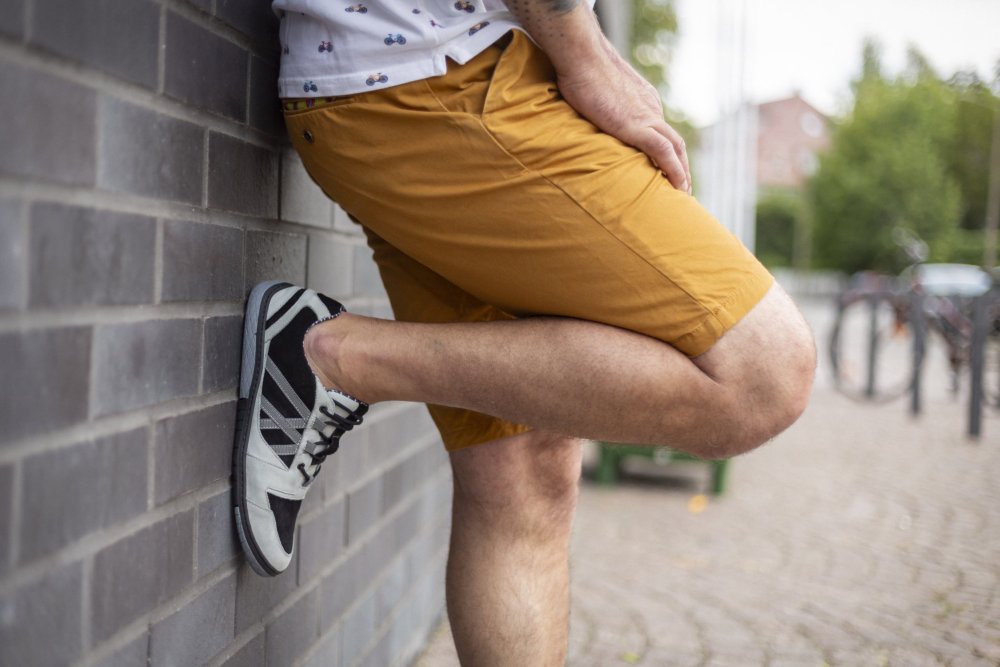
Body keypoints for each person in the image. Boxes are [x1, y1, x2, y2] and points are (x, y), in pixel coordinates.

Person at [231, 1, 816, 664]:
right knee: (763, 372)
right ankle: (340, 358)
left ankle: (335, 357)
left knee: (522, 472)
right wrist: (587, 56)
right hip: (443, 81)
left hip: (391, 90)